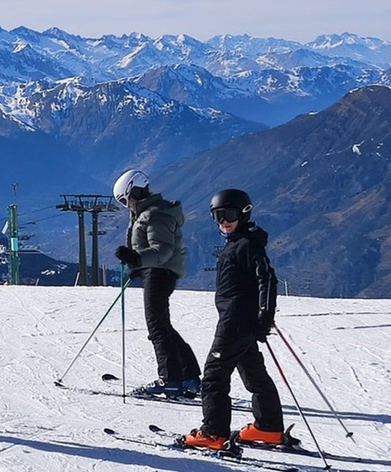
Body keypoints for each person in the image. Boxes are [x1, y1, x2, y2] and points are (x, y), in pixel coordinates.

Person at [183, 188, 283, 450]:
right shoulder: (241, 242)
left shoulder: (246, 245)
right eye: (217, 216)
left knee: (214, 376)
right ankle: (268, 427)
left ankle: (214, 433)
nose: (223, 221)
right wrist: (260, 318)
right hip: (242, 322)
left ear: (244, 213)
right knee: (254, 374)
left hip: (235, 323)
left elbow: (268, 280)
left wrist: (265, 315)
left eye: (228, 214)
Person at [112, 169, 201, 399]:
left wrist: (137, 260)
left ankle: (170, 380)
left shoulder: (155, 214)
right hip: (158, 271)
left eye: (124, 199)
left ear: (134, 191)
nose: (126, 205)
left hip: (160, 272)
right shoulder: (149, 213)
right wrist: (138, 266)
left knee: (157, 327)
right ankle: (188, 376)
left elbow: (163, 250)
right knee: (162, 325)